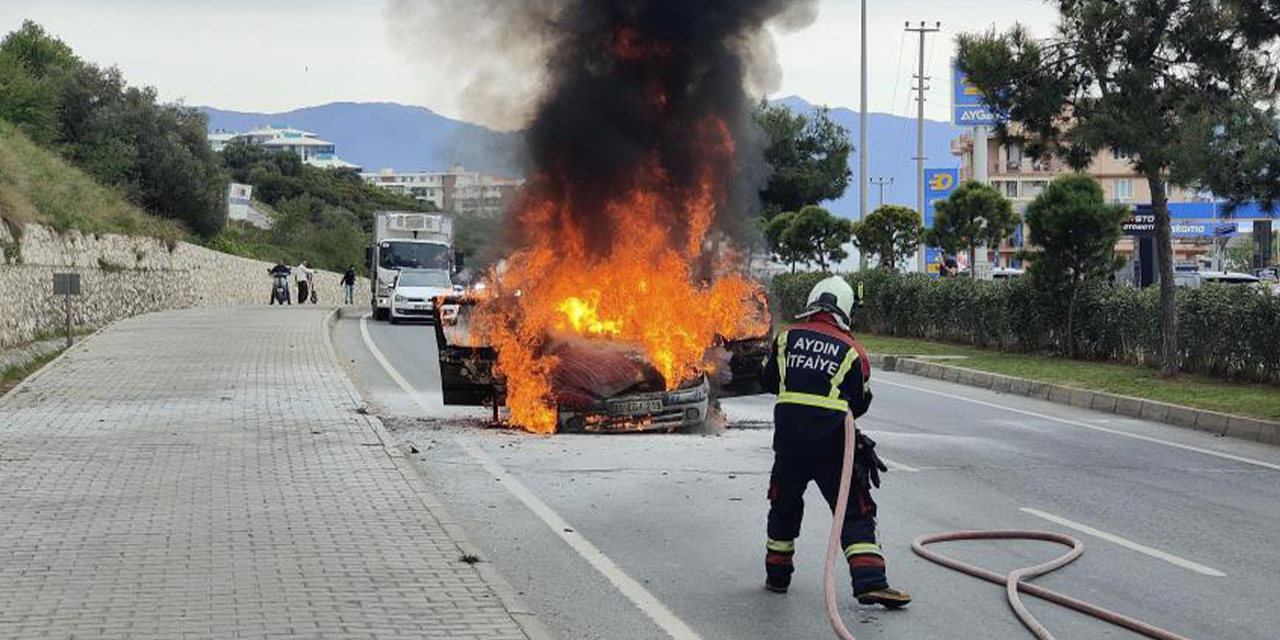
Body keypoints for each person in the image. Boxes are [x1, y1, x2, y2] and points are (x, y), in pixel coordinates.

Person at [759, 276, 911, 609]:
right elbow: (860, 403)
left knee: (783, 505)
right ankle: (871, 582)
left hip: (789, 446)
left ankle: (777, 577)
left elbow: (768, 380)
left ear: (812, 303)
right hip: (832, 448)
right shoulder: (853, 351)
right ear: (845, 309)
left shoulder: (786, 339)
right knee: (855, 510)